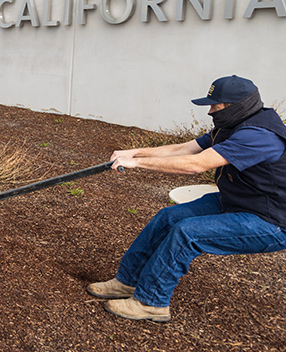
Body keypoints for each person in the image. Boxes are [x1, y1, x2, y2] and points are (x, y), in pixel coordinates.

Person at [86, 75, 286, 322]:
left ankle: (151, 302)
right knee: (168, 217)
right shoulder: (232, 126)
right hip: (237, 204)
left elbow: (196, 164)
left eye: (216, 106)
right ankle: (127, 282)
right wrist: (134, 152)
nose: (211, 111)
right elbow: (185, 148)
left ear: (238, 106)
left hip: (270, 221)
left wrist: (137, 163)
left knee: (187, 232)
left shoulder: (259, 136)